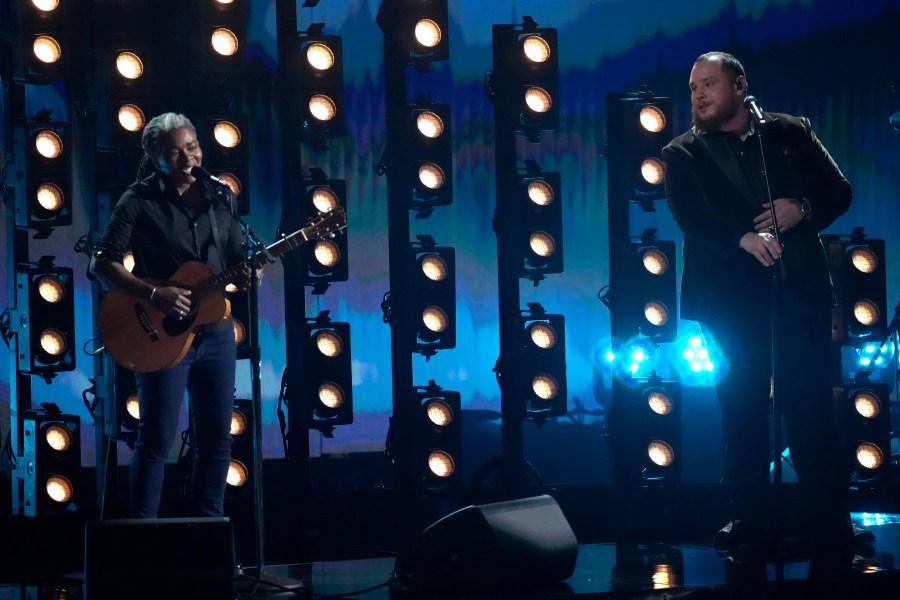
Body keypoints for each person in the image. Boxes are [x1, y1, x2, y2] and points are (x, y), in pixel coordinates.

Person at [662, 52, 871, 555]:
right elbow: (691, 217)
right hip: (731, 302)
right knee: (743, 409)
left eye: (708, 84)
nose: (698, 96)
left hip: (797, 293)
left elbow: (839, 191)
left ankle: (831, 526)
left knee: (812, 411)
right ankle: (749, 525)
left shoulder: (789, 132)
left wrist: (801, 208)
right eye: (693, 87)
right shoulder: (681, 153)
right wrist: (742, 239)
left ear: (739, 86)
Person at [91, 112, 250, 517]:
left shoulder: (220, 196)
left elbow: (235, 257)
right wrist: (154, 294)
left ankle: (208, 535)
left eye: (192, 147)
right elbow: (103, 263)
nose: (187, 158)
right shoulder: (138, 200)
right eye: (175, 151)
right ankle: (142, 544)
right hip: (159, 334)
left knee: (217, 439)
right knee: (156, 440)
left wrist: (248, 272)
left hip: (215, 332)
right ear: (154, 156)